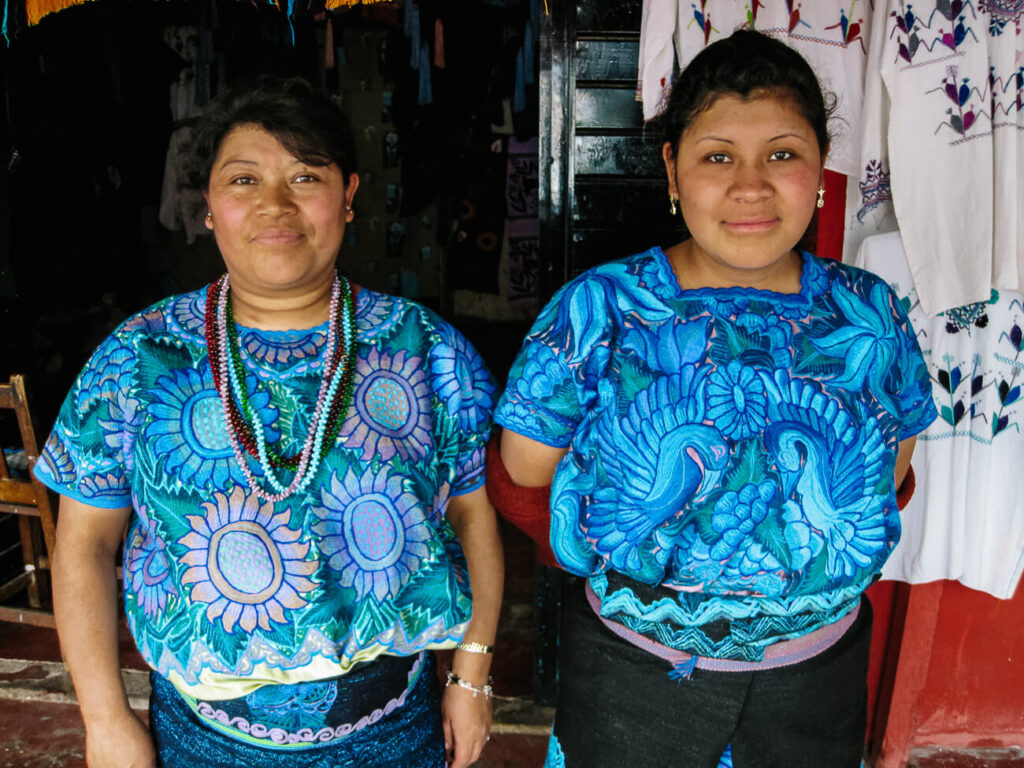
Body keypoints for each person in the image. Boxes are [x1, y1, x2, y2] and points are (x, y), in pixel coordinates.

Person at [488, 29, 936, 768]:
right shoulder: (600, 309)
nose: (750, 186)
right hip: (633, 679)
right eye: (717, 156)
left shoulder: (868, 313)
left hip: (816, 685)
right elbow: (527, 474)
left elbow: (891, 469)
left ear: (820, 169)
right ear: (672, 169)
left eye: (782, 155)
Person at [35, 77, 503, 768]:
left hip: (392, 730)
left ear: (348, 196)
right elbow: (83, 546)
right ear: (209, 208)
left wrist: (471, 676)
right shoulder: (138, 356)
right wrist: (104, 718)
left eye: (305, 175)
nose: (274, 205)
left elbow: (474, 518)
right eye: (245, 179)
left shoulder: (425, 349)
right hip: (199, 739)